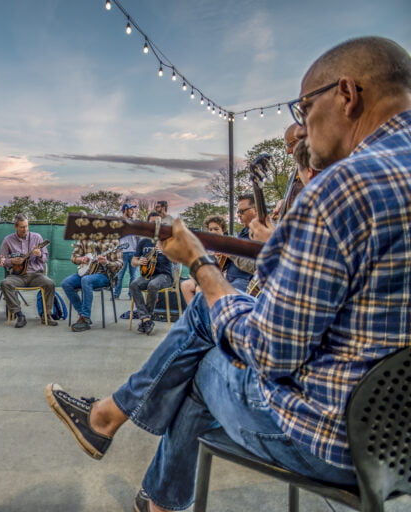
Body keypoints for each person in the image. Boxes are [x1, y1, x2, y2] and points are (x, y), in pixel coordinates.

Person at [45, 36, 411, 512]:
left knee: (203, 352)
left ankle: (118, 434)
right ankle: (124, 445)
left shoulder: (342, 189)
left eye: (304, 107)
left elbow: (271, 353)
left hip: (344, 444)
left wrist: (200, 265)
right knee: (210, 326)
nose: (302, 125)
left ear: (347, 93)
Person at [0, 213, 58, 327]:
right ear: (15, 226)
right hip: (17, 276)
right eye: (22, 227)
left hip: (36, 275)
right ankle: (19, 315)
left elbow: (44, 258)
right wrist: (12, 261)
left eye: (26, 226)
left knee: (50, 283)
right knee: (5, 283)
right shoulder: (8, 240)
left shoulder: (37, 238)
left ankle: (47, 315)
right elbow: (2, 259)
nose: (25, 229)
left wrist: (40, 254)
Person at [61, 239, 123, 332]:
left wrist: (106, 262)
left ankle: (85, 318)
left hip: (104, 275)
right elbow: (74, 257)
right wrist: (82, 259)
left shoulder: (113, 241)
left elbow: (120, 263)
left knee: (86, 280)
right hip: (86, 272)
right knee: (66, 283)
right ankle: (82, 314)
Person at [129, 211, 174, 335]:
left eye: (158, 223)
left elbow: (176, 261)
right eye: (153, 223)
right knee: (134, 284)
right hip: (147, 275)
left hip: (165, 276)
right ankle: (146, 319)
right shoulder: (143, 242)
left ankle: (146, 318)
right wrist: (139, 262)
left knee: (153, 285)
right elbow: (133, 261)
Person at [179, 215, 228, 304]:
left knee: (199, 289)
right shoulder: (207, 246)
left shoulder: (228, 244)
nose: (213, 232)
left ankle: (203, 316)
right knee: (185, 285)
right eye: (210, 229)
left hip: (222, 277)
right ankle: (194, 315)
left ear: (223, 230)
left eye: (216, 229)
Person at [223, 193, 256, 291]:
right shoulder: (244, 231)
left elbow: (258, 266)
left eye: (242, 211)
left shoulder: (264, 234)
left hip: (245, 282)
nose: (238, 214)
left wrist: (230, 253)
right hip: (230, 279)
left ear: (256, 210)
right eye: (238, 211)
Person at [113, 203, 140, 299]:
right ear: (125, 210)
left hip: (134, 253)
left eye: (133, 209)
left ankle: (131, 295)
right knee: (120, 275)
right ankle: (116, 294)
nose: (133, 211)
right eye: (131, 209)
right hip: (122, 253)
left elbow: (138, 237)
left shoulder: (134, 222)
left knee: (134, 276)